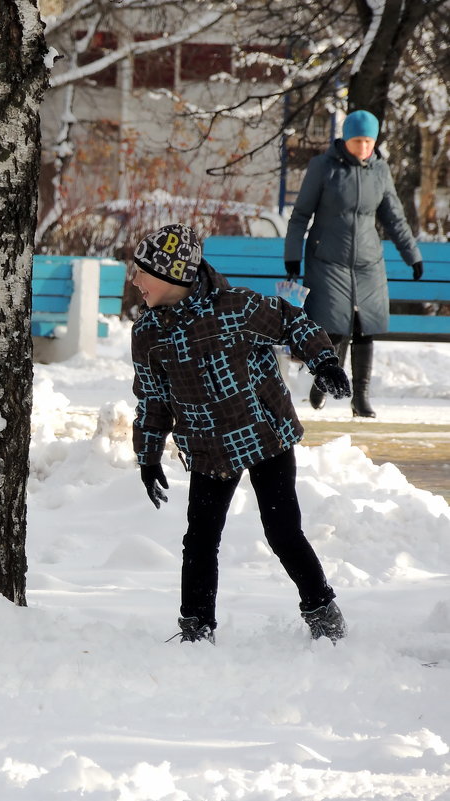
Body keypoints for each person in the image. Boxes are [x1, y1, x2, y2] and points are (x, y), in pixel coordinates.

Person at [131, 223, 350, 644]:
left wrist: (324, 361)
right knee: (200, 539)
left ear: (171, 274)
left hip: (265, 434)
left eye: (142, 271)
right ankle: (196, 626)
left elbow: (291, 322)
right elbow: (153, 400)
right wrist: (148, 455)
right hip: (208, 447)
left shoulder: (235, 308)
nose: (135, 280)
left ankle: (322, 610)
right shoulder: (148, 335)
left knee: (283, 531)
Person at [284, 109, 423, 418]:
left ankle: (360, 398)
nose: (364, 147)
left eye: (369, 141)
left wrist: (412, 255)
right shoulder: (322, 167)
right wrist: (292, 254)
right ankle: (323, 381)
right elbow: (301, 215)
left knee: (365, 328)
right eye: (358, 140)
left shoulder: (380, 170)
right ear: (346, 139)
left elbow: (394, 217)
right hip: (327, 260)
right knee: (333, 328)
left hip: (367, 262)